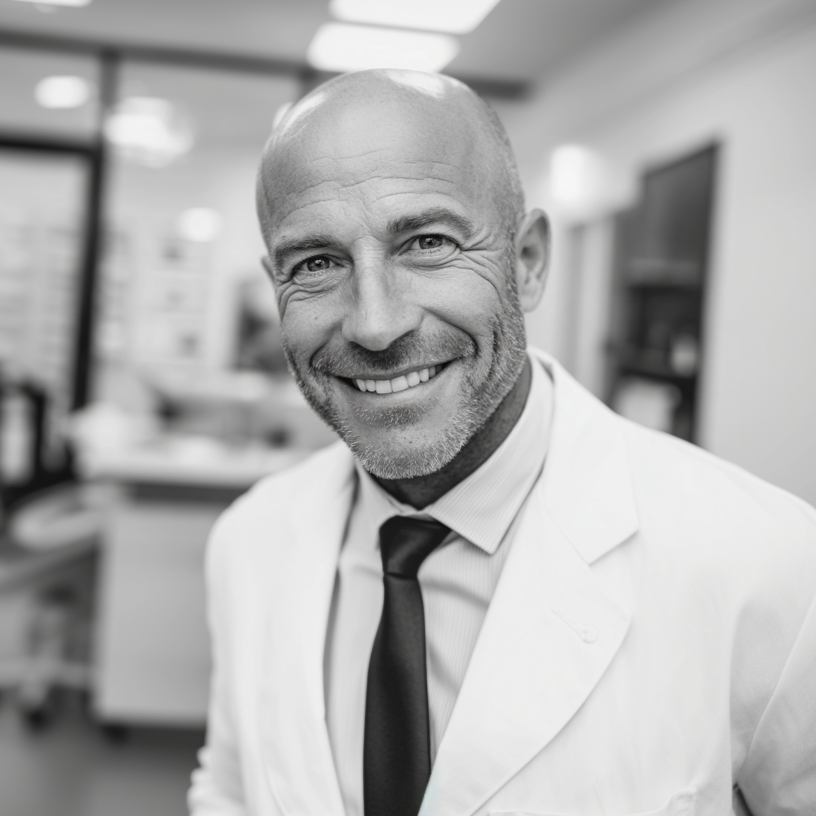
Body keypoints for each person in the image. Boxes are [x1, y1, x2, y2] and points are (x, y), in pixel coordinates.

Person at [188, 70, 816, 816]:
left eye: (428, 243)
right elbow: (229, 787)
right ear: (275, 286)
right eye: (316, 264)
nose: (375, 324)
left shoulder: (770, 565)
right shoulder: (249, 541)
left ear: (528, 262)